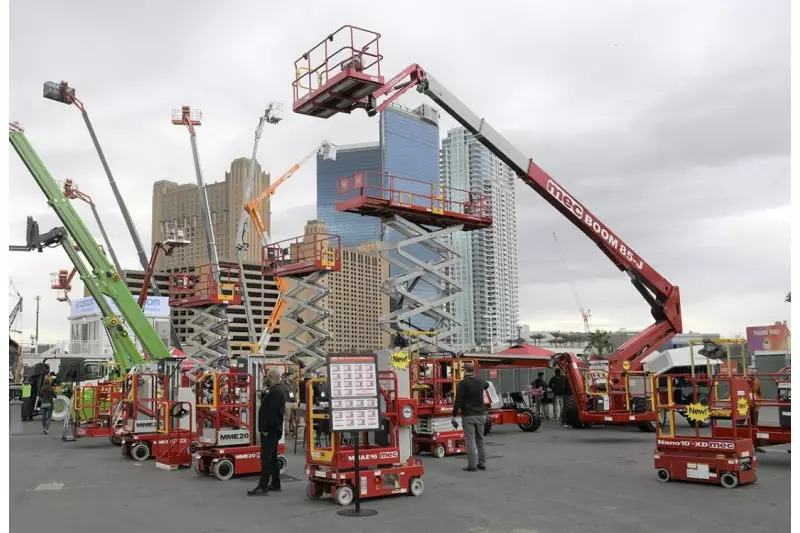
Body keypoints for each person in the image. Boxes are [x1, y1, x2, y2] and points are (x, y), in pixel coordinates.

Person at [248, 369, 287, 496]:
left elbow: (271, 413)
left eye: (268, 377)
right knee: (273, 457)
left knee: (266, 457)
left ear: (274, 377)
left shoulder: (275, 392)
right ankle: (275, 483)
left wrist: (265, 429)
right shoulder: (277, 390)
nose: (266, 379)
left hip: (270, 430)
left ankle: (262, 485)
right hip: (274, 429)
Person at [451, 361, 489, 472]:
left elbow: (458, 400)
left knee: (471, 440)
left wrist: (453, 414)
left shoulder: (463, 384)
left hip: (469, 415)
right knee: (480, 439)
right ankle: (482, 463)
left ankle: (472, 465)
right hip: (481, 414)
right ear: (473, 370)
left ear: (464, 370)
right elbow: (486, 385)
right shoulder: (480, 381)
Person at [283, 371, 298, 438]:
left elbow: (296, 392)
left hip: (294, 403)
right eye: (291, 376)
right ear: (288, 377)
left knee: (294, 418)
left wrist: (297, 401)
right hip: (287, 403)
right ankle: (287, 432)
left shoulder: (294, 383)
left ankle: (295, 432)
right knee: (287, 419)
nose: (293, 378)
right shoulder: (283, 384)